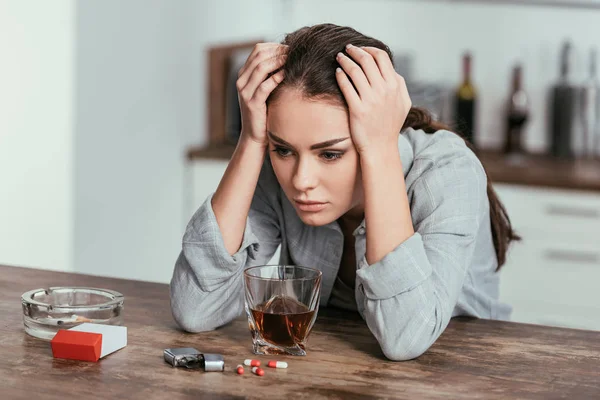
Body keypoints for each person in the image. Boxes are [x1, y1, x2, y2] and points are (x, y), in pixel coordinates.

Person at [169, 23, 519, 361]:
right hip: (337, 364)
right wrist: (252, 139)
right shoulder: (277, 166)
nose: (301, 180)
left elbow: (404, 338)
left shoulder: (448, 172)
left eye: (331, 154)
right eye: (283, 149)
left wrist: (381, 149)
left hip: (463, 367)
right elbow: (196, 309)